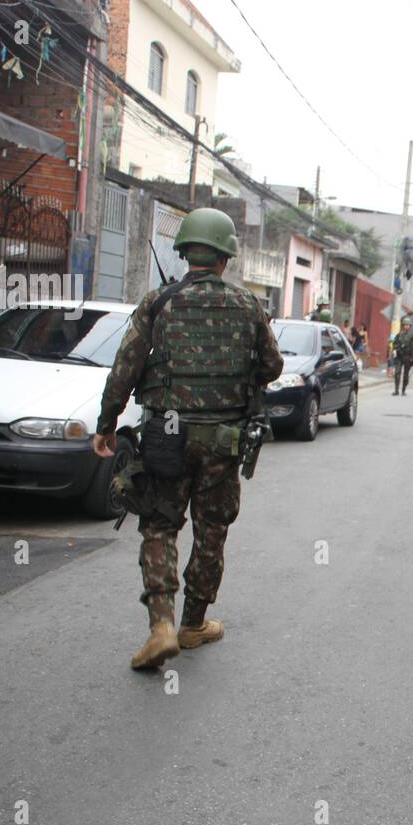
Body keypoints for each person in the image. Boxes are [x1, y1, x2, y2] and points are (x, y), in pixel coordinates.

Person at [93, 207, 283, 671]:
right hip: (223, 440)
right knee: (211, 530)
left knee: (159, 526)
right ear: (226, 257)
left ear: (184, 253)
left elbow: (125, 370)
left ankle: (160, 625)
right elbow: (273, 367)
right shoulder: (248, 306)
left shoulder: (158, 302)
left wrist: (105, 425)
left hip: (166, 438)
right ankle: (193, 624)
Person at [392, 319, 413, 396]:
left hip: (407, 357)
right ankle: (396, 390)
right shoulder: (399, 335)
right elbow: (394, 344)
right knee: (397, 373)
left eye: (408, 325)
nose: (406, 326)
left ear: (410, 326)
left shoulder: (411, 336)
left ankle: (403, 390)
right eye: (405, 325)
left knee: (406, 375)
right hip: (399, 356)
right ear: (403, 326)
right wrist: (396, 349)